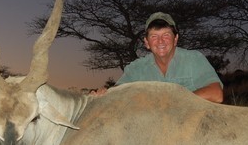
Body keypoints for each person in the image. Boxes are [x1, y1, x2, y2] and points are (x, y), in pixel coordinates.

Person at [94, 12, 223, 103]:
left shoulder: (194, 59)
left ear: (176, 39)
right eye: (154, 36)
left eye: (166, 35)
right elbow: (117, 94)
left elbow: (217, 94)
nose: (160, 41)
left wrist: (170, 102)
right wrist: (103, 94)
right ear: (146, 42)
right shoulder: (136, 68)